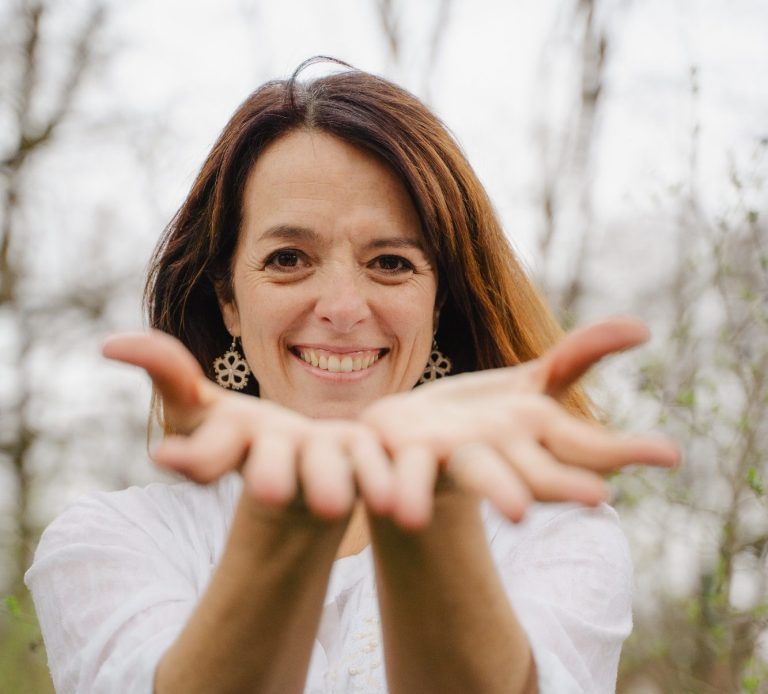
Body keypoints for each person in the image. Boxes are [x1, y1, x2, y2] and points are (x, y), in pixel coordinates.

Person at [25, 59, 678, 694]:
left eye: (390, 263)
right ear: (227, 297)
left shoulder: (556, 537)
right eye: (288, 258)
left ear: (439, 300)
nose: (341, 306)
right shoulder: (112, 540)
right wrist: (291, 510)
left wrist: (431, 506)